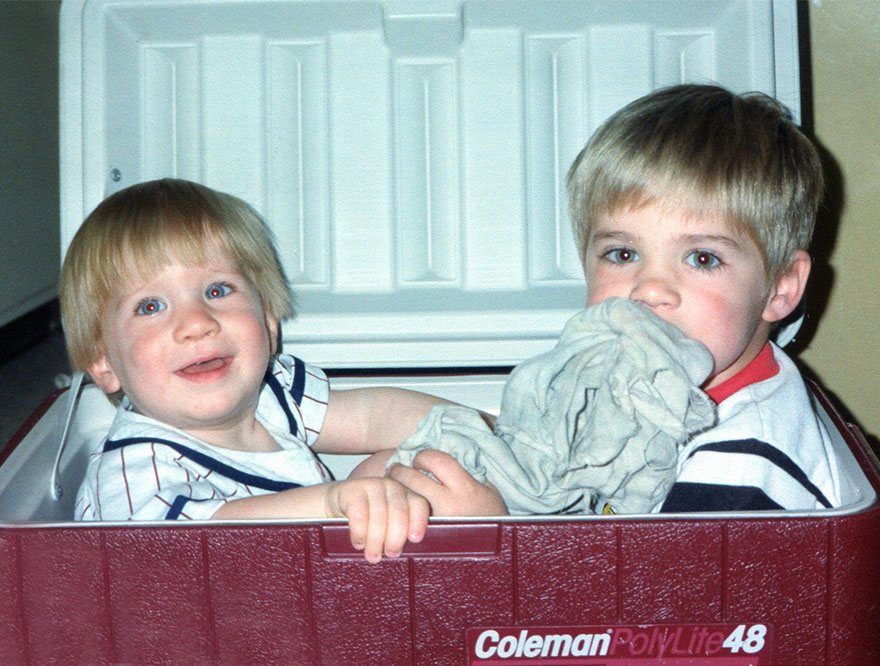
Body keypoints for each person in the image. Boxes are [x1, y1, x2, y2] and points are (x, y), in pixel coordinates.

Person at [60, 178, 505, 562]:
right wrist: (330, 504)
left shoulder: (269, 393)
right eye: (150, 306)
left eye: (217, 290)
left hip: (304, 590)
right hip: (215, 618)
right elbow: (191, 542)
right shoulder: (131, 471)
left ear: (269, 323)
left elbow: (372, 415)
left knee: (409, 465)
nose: (196, 323)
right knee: (387, 494)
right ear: (103, 363)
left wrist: (483, 430)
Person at [559, 83, 842, 511]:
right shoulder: (654, 388)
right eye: (622, 254)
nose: (649, 289)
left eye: (702, 258)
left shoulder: (741, 468)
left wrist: (494, 519)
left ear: (780, 288)